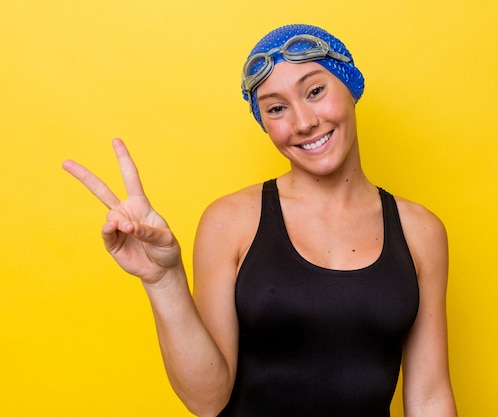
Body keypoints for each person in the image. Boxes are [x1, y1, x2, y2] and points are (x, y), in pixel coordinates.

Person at [62, 24, 457, 417]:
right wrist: (164, 281)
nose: (303, 122)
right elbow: (207, 399)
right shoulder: (231, 222)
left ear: (350, 86)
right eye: (276, 108)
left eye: (315, 91)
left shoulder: (420, 231)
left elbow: (429, 398)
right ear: (265, 124)